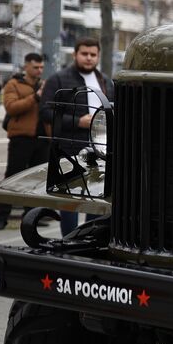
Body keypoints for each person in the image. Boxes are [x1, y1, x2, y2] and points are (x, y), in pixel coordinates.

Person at [41, 38, 114, 235]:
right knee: (70, 201)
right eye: (84, 54)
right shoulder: (58, 79)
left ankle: (89, 239)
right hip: (68, 150)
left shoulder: (105, 81)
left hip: (100, 151)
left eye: (93, 54)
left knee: (97, 200)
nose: (89, 58)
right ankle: (68, 241)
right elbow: (46, 112)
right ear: (75, 54)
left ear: (98, 56)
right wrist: (78, 121)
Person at [0, 53, 47, 230]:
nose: (39, 70)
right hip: (21, 138)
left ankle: (32, 217)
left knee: (37, 180)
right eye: (36, 67)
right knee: (12, 178)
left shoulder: (44, 84)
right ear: (26, 67)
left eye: (41, 67)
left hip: (42, 138)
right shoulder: (13, 84)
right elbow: (11, 107)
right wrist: (36, 96)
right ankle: (1, 217)